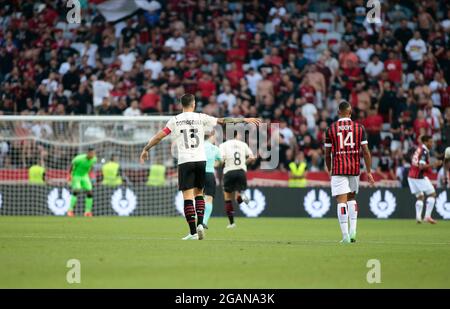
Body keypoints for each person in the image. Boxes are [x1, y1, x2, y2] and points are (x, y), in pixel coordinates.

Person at [139, 94, 260, 240]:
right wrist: (243, 120)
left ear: (181, 104)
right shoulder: (201, 117)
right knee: (199, 194)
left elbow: (159, 136)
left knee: (187, 197)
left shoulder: (175, 120)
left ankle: (193, 232)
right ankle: (201, 224)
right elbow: (223, 121)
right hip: (200, 161)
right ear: (194, 104)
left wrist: (146, 148)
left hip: (185, 161)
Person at [324, 101, 375, 244]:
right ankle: (353, 231)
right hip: (354, 169)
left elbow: (327, 154)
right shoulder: (359, 128)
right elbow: (365, 151)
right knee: (352, 198)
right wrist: (369, 171)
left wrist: (329, 170)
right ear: (350, 112)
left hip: (338, 169)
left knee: (341, 201)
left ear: (339, 112)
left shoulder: (331, 129)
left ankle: (345, 235)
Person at [219, 130, 256, 229]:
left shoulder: (223, 145)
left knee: (228, 198)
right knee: (238, 197)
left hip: (229, 171)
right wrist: (244, 163)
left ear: (227, 135)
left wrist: (220, 163)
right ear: (236, 135)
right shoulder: (243, 144)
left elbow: (221, 159)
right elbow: (252, 157)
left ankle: (232, 223)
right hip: (241, 171)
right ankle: (242, 196)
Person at [407, 135, 442, 224]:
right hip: (418, 176)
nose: (432, 143)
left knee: (420, 196)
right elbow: (421, 167)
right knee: (432, 194)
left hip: (411, 176)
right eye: (430, 142)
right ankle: (427, 216)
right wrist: (434, 164)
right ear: (426, 142)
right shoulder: (424, 151)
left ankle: (418, 217)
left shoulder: (419, 148)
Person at [67, 146, 97, 217]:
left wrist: (91, 174)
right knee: (77, 190)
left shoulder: (94, 159)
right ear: (88, 153)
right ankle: (70, 210)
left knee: (90, 192)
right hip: (76, 175)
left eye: (94, 153)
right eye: (91, 153)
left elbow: (90, 166)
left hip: (85, 176)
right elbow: (71, 166)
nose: (93, 155)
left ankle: (87, 212)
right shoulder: (79, 159)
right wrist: (69, 175)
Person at [203, 133, 222, 229]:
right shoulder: (215, 148)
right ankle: (204, 221)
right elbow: (221, 161)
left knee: (197, 197)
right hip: (209, 174)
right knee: (209, 198)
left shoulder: (198, 147)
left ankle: (197, 220)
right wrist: (213, 164)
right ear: (211, 137)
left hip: (198, 174)